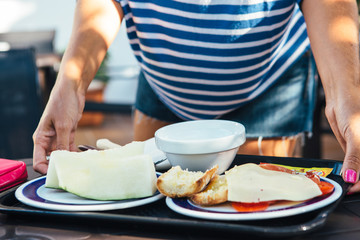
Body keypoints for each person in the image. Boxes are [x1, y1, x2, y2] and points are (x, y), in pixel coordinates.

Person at [33, 0, 360, 192]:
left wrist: (348, 96)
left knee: (257, 213)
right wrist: (70, 84)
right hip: (161, 85)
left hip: (266, 89)